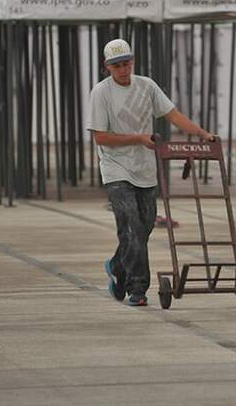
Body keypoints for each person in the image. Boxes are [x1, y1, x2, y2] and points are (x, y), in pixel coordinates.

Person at [88, 38, 213, 307]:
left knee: (143, 229)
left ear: (132, 61)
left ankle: (117, 266)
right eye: (117, 66)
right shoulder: (101, 93)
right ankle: (138, 288)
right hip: (116, 168)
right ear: (107, 67)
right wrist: (138, 139)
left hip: (145, 168)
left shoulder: (147, 86)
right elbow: (100, 137)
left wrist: (202, 134)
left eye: (126, 63)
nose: (123, 70)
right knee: (131, 227)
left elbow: (174, 115)